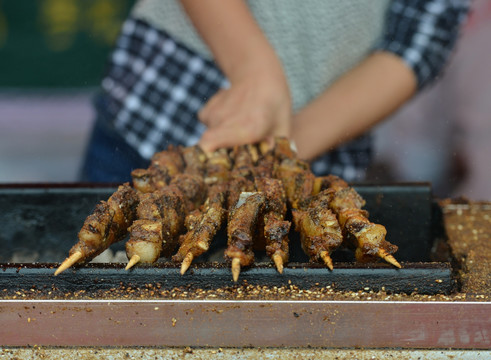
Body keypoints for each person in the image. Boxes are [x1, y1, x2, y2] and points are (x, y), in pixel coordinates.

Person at [80, 0, 470, 183]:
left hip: (313, 158)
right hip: (156, 108)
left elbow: (422, 38)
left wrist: (285, 144)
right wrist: (255, 72)